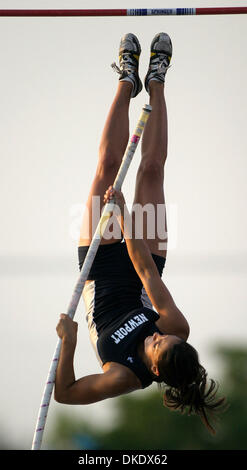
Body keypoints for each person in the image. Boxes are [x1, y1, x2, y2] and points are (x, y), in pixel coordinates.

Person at [55, 33, 225, 434]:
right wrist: (124, 213)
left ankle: (126, 80)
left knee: (108, 165)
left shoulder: (122, 376)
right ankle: (157, 80)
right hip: (143, 259)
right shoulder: (178, 329)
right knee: (151, 171)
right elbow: (148, 273)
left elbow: (65, 391)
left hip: (99, 267)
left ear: (153, 367)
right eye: (165, 338)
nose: (159, 336)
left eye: (156, 344)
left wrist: (69, 343)